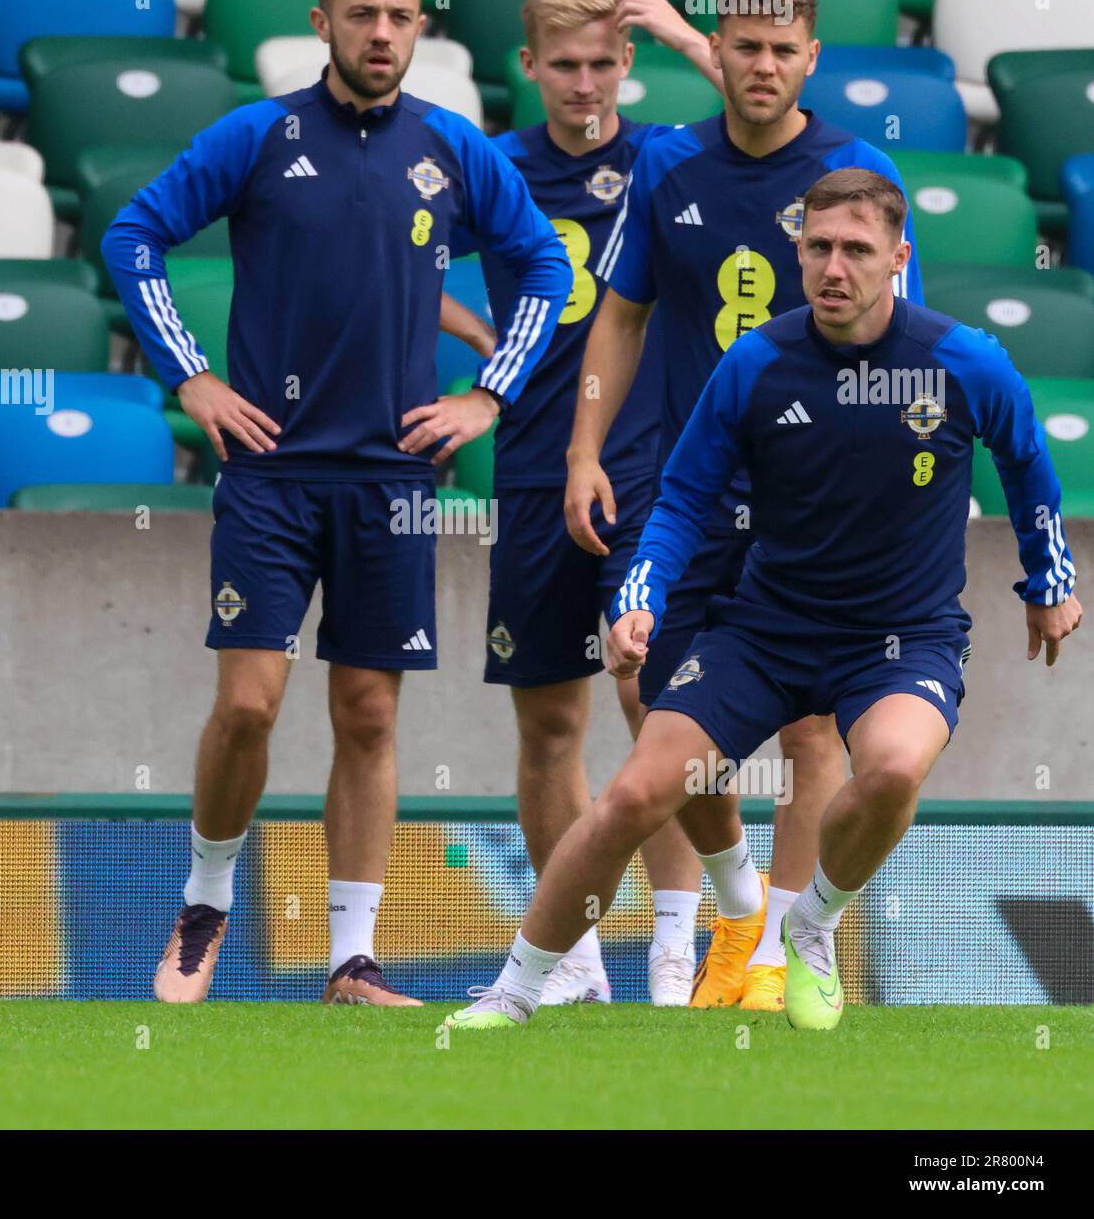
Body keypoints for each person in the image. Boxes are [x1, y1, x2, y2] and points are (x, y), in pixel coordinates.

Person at [445, 167, 1080, 1032]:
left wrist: (1048, 584)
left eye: (857, 250)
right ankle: (511, 992)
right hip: (767, 633)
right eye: (818, 246)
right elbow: (680, 499)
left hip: (903, 639)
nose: (833, 267)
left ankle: (807, 924)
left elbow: (1030, 469)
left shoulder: (964, 360)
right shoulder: (757, 362)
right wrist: (642, 595)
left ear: (898, 257)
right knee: (635, 794)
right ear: (798, 250)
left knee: (892, 768)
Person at [101, 0, 571, 1005]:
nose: (381, 34)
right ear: (322, 23)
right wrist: (192, 379)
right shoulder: (259, 137)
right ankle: (209, 895)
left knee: (367, 716)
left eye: (401, 17)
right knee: (253, 705)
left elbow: (544, 265)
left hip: (396, 484)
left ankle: (351, 960)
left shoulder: (453, 147)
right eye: (360, 15)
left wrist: (486, 395)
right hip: (269, 476)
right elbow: (135, 237)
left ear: (420, 27)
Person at [564, 0, 924, 1011]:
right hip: (689, 487)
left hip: (814, 499)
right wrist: (586, 449)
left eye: (782, 50)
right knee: (645, 691)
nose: (761, 65)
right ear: (713, 51)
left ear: (810, 59)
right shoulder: (667, 164)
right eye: (743, 46)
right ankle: (735, 898)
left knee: (813, 728)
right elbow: (619, 315)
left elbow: (914, 343)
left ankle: (771, 961)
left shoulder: (857, 172)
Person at [440, 0, 726, 1005]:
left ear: (627, 63)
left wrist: (697, 40)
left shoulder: (666, 159)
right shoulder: (494, 167)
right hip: (529, 472)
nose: (585, 84)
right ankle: (574, 959)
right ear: (528, 64)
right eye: (564, 64)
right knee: (550, 727)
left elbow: (801, 144)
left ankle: (676, 949)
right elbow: (390, 246)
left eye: (604, 62)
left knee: (656, 699)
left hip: (653, 468)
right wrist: (478, 345)